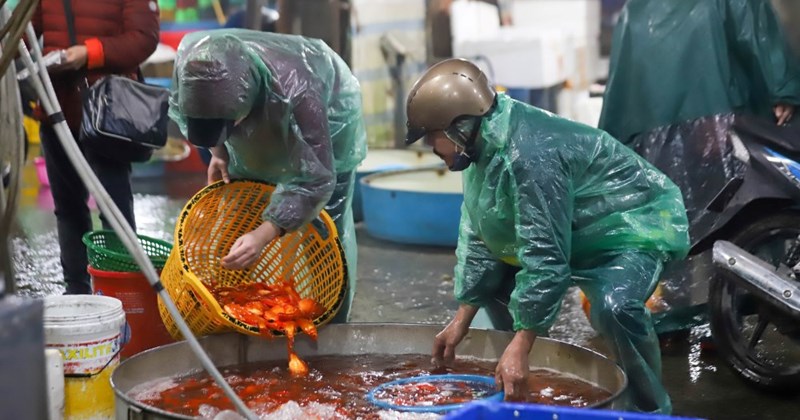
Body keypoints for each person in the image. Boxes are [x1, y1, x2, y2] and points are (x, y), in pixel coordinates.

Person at [405, 59, 690, 414]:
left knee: (616, 308)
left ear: (460, 126)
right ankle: (522, 372)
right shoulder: (482, 147)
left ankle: (646, 408)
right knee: (495, 286)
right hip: (574, 230)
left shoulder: (529, 154)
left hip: (627, 229)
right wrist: (461, 319)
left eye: (433, 136)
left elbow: (546, 255)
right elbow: (483, 233)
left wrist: (523, 341)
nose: (431, 147)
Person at [169, 30, 366, 323]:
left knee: (326, 227)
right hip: (252, 101)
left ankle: (333, 325)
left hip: (330, 109)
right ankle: (231, 313)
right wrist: (219, 151)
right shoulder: (192, 61)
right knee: (240, 210)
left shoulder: (299, 91)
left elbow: (318, 179)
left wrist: (265, 232)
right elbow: (197, 111)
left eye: (229, 125)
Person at [32, 0, 160, 294]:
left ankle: (122, 291)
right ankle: (76, 292)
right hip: (57, 109)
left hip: (108, 114)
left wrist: (89, 53)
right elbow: (22, 33)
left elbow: (144, 38)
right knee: (67, 209)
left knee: (113, 207)